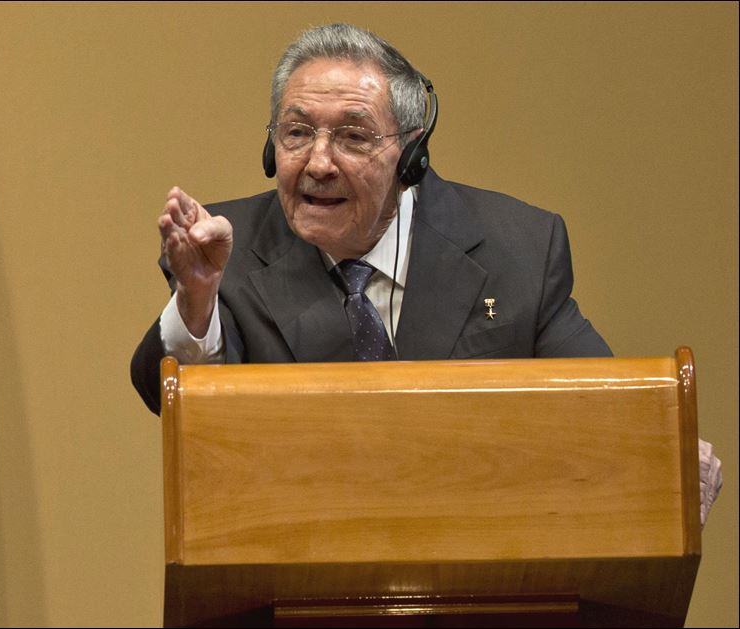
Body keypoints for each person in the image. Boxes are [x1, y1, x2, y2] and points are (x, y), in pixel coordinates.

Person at [130, 23, 720, 522]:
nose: (318, 162)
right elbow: (168, 395)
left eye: (353, 136)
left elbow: (603, 408)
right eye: (297, 132)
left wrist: (662, 459)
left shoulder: (516, 248)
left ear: (412, 153)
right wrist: (197, 298)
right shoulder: (223, 253)